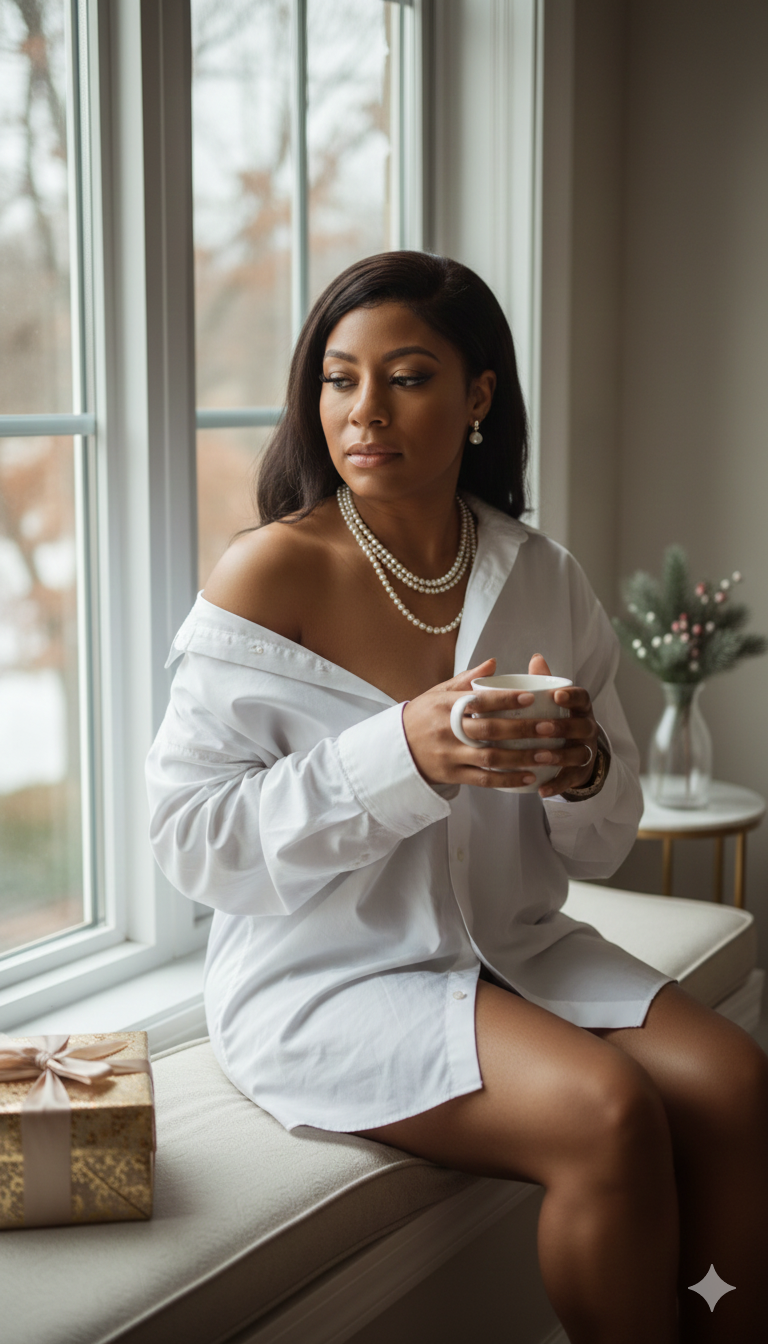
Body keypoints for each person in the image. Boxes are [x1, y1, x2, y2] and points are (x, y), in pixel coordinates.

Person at [146, 252, 768, 1343]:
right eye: (339, 380)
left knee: (733, 1086)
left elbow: (600, 841)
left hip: (516, 943)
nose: (365, 410)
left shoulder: (540, 574)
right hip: (329, 978)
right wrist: (405, 756)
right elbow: (191, 844)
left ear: (480, 395)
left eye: (410, 377)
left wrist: (581, 771)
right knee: (610, 1116)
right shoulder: (267, 576)